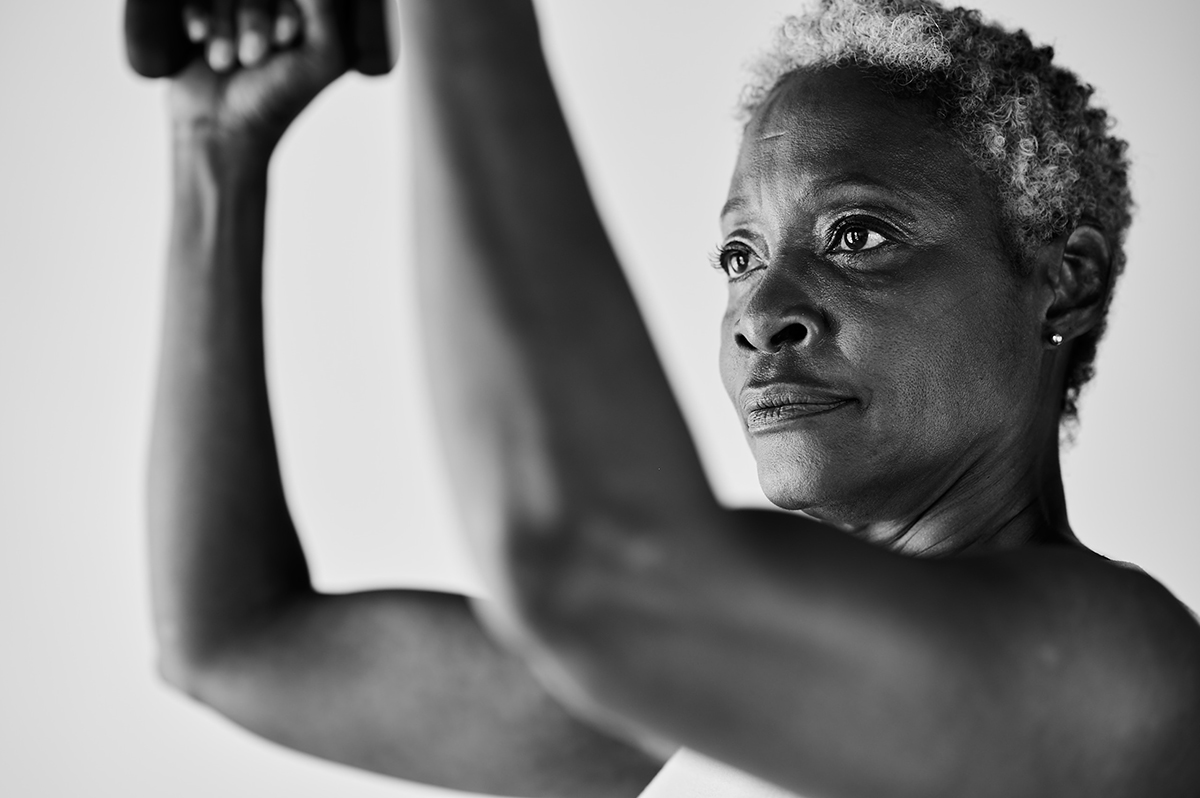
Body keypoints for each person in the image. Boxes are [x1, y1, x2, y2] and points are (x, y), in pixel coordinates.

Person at [147, 0, 1200, 796]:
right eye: (740, 256)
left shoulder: (1118, 673)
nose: (762, 310)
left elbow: (594, 569)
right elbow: (238, 644)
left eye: (859, 236)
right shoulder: (711, 689)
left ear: (1065, 277)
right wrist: (216, 156)